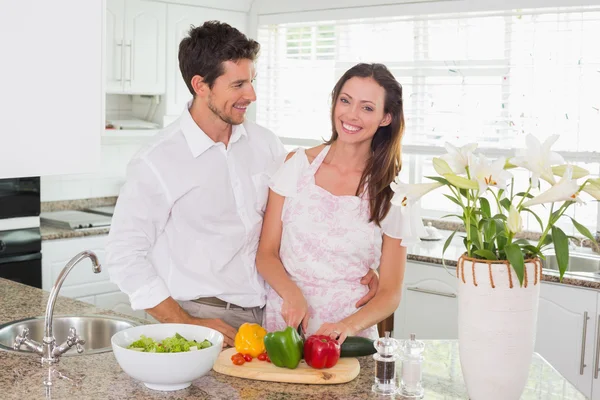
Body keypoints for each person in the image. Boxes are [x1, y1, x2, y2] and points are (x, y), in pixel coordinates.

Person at [105, 21, 379, 347]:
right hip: (201, 317)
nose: (251, 94)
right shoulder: (157, 161)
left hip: (273, 316)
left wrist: (357, 273)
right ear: (200, 85)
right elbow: (124, 257)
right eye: (238, 84)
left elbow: (300, 220)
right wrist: (185, 323)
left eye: (252, 80)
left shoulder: (266, 146)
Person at [257, 63, 419, 343]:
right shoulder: (296, 165)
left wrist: (347, 326)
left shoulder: (394, 192)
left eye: (367, 108)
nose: (351, 115)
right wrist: (293, 294)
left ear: (385, 118)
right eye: (345, 101)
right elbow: (266, 253)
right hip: (285, 326)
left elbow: (390, 292)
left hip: (349, 338)